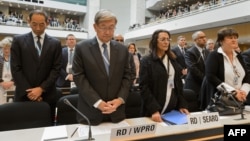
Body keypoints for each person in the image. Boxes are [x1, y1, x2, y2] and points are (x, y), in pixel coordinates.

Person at [72, 9, 131, 125]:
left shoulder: (122, 50)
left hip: (116, 112)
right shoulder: (82, 48)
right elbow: (79, 77)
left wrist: (120, 99)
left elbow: (127, 76)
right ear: (95, 27)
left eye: (111, 27)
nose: (108, 32)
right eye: (103, 27)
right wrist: (97, 102)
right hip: (90, 112)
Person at [10, 10, 62, 121]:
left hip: (47, 95)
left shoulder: (55, 43)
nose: (38, 28)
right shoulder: (18, 41)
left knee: (47, 129)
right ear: (29, 22)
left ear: (47, 23)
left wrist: (41, 89)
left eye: (41, 24)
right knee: (22, 129)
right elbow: (15, 69)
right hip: (24, 95)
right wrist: (31, 92)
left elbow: (56, 69)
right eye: (34, 24)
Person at [139, 29, 189, 122]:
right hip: (153, 111)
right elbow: (144, 87)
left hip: (171, 110)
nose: (166, 42)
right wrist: (154, 110)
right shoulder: (147, 61)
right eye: (163, 39)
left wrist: (182, 105)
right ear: (155, 41)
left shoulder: (173, 60)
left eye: (168, 39)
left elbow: (178, 85)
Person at [204, 27, 250, 106]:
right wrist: (233, 92)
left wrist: (244, 91)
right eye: (230, 38)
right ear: (221, 41)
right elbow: (211, 77)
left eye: (235, 38)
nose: (234, 40)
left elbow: (247, 75)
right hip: (221, 100)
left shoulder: (238, 55)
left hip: (240, 98)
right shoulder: (214, 55)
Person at [184, 31, 209, 107]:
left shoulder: (207, 52)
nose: (204, 39)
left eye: (205, 37)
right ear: (195, 40)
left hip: (205, 83)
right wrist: (205, 79)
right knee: (194, 106)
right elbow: (193, 68)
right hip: (194, 84)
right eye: (201, 37)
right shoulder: (190, 52)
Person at [0, 37, 15, 104]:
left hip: (13, 85)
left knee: (11, 106)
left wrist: (12, 81)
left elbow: (20, 72)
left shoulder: (16, 60)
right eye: (4, 48)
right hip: (1, 86)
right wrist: (1, 82)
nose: (6, 50)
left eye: (8, 48)